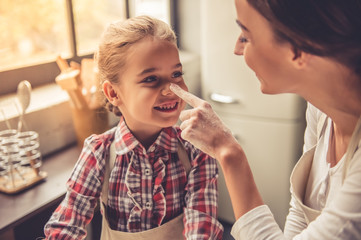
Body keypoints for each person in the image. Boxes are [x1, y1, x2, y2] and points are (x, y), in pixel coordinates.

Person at [169, 0, 361, 239]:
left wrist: (229, 153)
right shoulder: (320, 108)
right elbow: (302, 213)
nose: (237, 49)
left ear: (298, 49)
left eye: (246, 36)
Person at [44, 15, 223, 239]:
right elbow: (66, 225)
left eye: (176, 74)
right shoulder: (97, 153)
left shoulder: (197, 150)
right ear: (113, 93)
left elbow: (202, 224)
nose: (171, 89)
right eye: (151, 79)